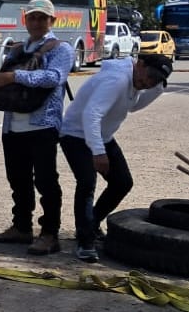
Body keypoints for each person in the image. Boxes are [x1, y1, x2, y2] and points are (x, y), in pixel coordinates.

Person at [59, 53, 171, 262]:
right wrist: (98, 152)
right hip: (76, 133)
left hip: (102, 135)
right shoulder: (117, 80)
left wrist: (156, 89)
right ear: (139, 64)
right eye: (148, 76)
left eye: (155, 80)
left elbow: (133, 106)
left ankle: (90, 225)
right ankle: (85, 242)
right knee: (86, 182)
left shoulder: (140, 82)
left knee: (122, 182)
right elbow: (91, 114)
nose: (147, 82)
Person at [0, 0, 74, 256]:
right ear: (26, 20)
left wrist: (13, 76)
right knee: (18, 180)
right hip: (13, 125)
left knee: (46, 181)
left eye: (42, 18)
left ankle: (49, 233)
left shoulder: (61, 49)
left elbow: (54, 78)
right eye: (32, 17)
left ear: (52, 21)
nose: (36, 22)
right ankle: (21, 227)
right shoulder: (17, 49)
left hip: (42, 125)